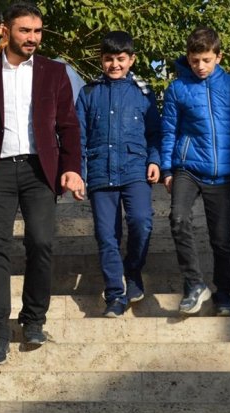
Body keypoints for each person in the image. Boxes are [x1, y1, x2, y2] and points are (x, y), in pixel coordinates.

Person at [0, 2, 83, 367]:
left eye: (37, 31)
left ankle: (33, 319)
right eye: (25, 30)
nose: (32, 38)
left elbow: (68, 126)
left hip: (39, 171)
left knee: (41, 243)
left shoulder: (54, 72)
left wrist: (72, 168)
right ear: (6, 31)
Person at [160, 27, 230, 317]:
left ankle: (224, 296)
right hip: (187, 167)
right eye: (195, 61)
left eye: (206, 60)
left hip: (222, 172)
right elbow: (169, 131)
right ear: (188, 58)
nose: (200, 66)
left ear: (218, 56)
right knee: (178, 218)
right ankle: (194, 284)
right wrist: (167, 168)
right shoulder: (178, 89)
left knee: (221, 239)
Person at [75, 31, 161, 318]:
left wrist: (155, 160)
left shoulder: (143, 93)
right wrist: (79, 173)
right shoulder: (88, 93)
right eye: (109, 59)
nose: (115, 65)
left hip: (136, 170)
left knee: (141, 222)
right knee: (106, 235)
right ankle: (114, 294)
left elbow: (155, 133)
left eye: (121, 59)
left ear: (131, 59)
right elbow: (79, 138)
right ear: (101, 60)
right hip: (100, 173)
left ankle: (133, 271)